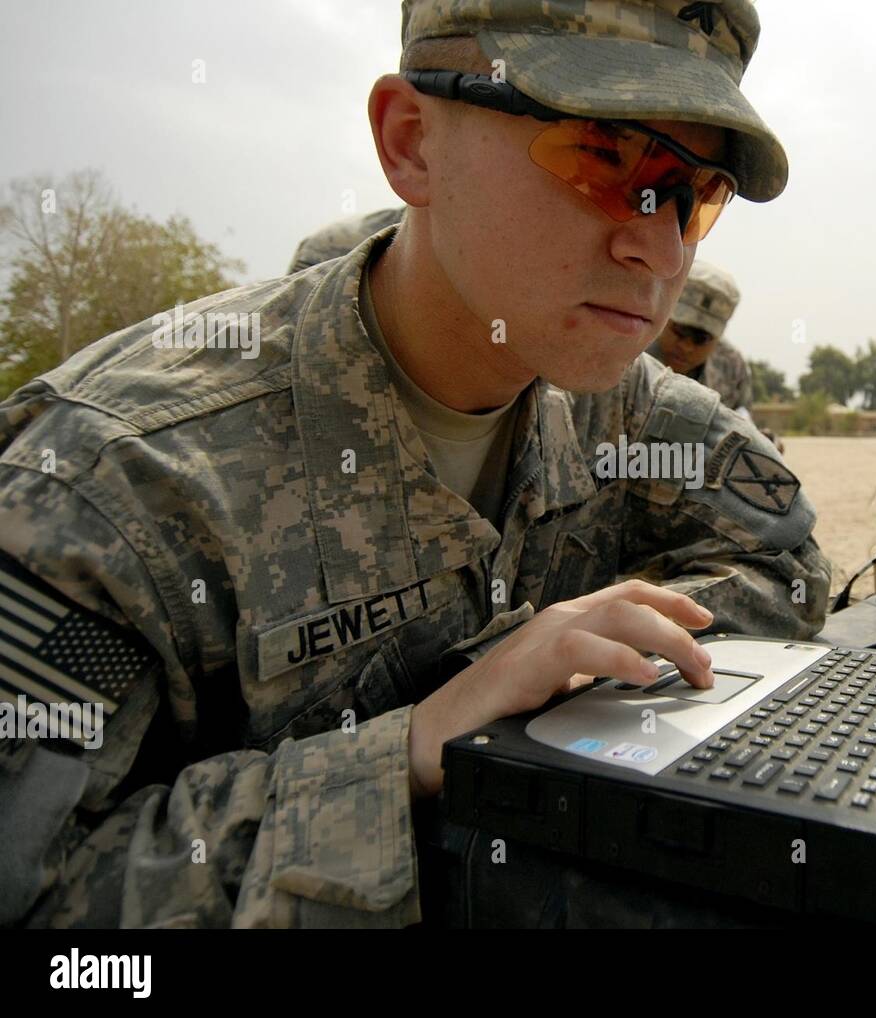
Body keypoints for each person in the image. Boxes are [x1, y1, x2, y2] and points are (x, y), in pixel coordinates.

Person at [0, 0, 830, 929]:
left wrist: (591, 669)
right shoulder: (114, 479)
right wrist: (421, 743)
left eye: (696, 193)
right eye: (605, 157)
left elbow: (787, 563)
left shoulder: (616, 398)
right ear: (411, 143)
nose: (662, 246)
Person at [648, 259, 753, 415]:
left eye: (701, 339)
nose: (686, 347)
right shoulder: (626, 349)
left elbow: (741, 421)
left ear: (718, 337)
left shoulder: (731, 368)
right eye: (680, 331)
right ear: (663, 313)